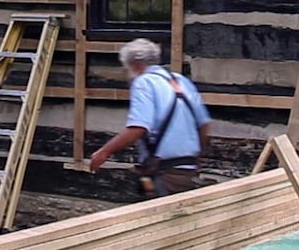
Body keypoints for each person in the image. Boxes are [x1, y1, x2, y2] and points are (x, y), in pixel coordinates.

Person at [88, 38, 211, 197]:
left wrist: (104, 152)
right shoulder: (180, 80)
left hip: (166, 175)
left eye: (126, 68)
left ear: (133, 65)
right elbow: (204, 125)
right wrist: (196, 157)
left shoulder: (143, 82)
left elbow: (138, 128)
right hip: (188, 172)